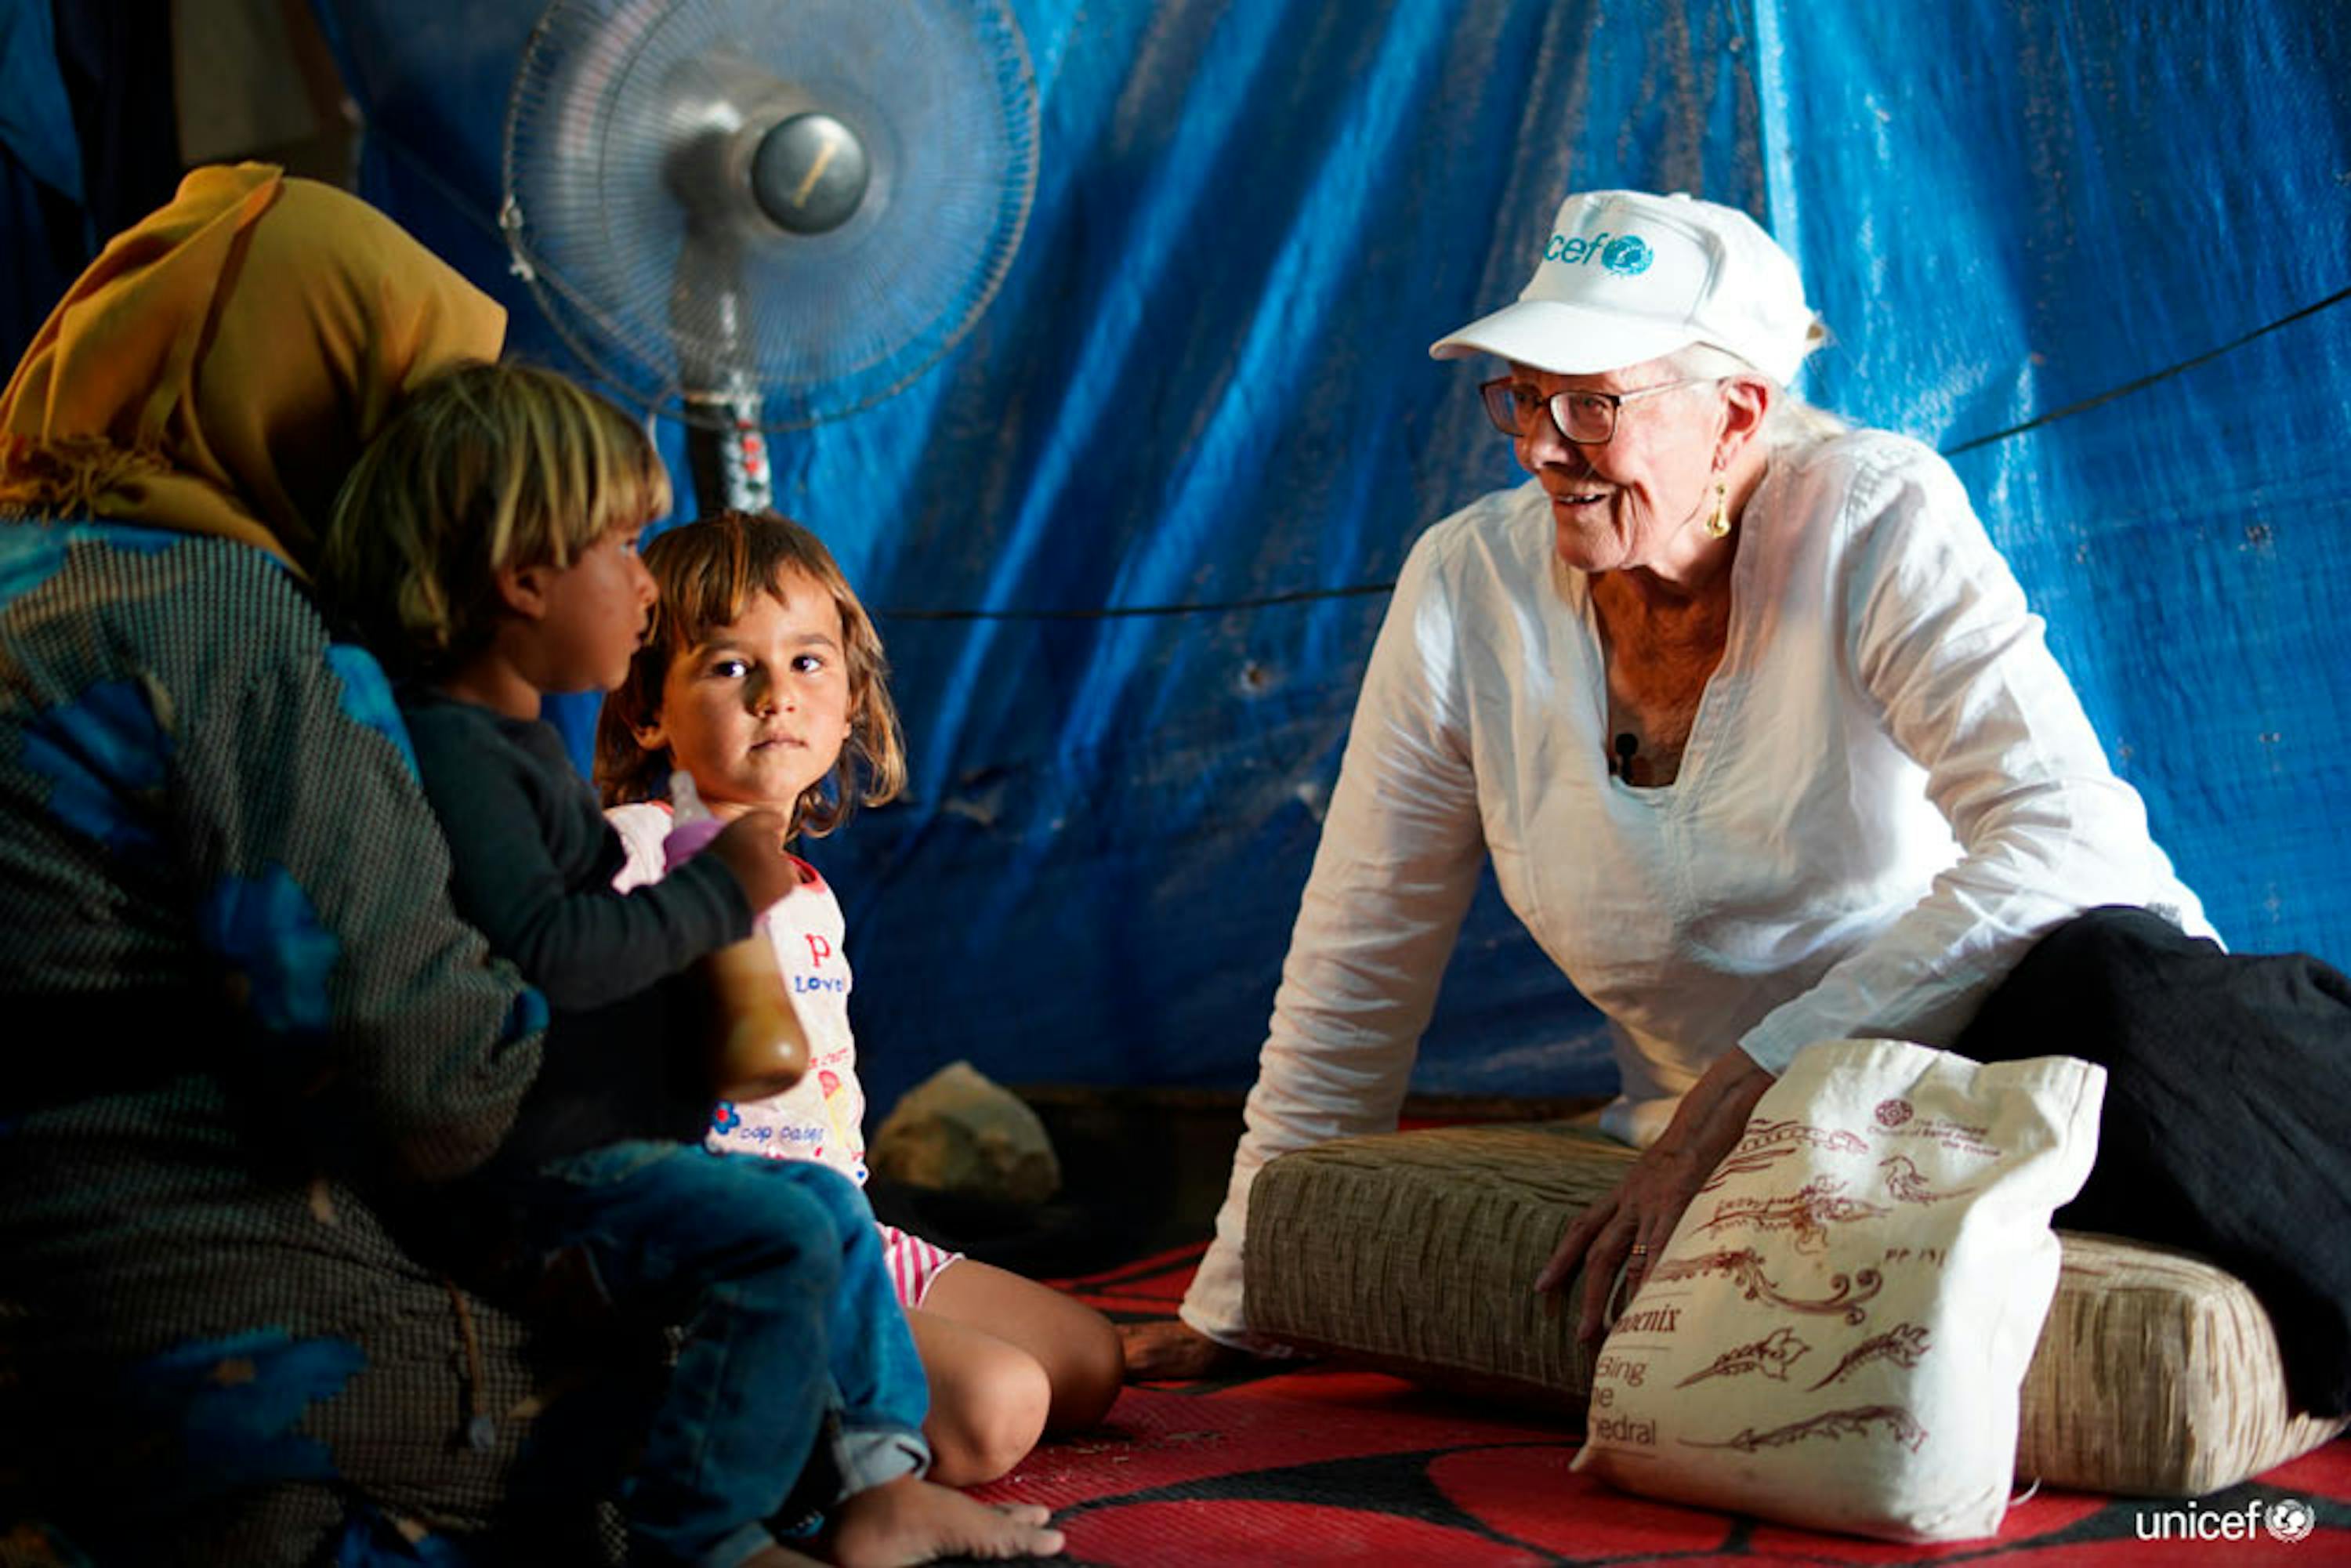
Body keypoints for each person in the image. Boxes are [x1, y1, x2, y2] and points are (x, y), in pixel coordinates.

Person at [1123, 186, 2351, 1422]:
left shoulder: (1872, 514)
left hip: (2007, 1051)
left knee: (2123, 981)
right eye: (1520, 395)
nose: (1541, 444)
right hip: (1782, 1145)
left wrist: (1753, 1073)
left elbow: (2074, 835)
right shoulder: (1467, 586)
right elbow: (1358, 955)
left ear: (1738, 414)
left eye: (1590, 403)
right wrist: (1238, 1298)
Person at [317, 364, 1066, 1566]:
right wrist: (715, 895)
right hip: (550, 1175)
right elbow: (551, 953)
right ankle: (701, 1534)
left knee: (820, 1206)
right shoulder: (466, 762)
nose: (638, 584)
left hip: (614, 1150)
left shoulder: (512, 755)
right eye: (621, 551)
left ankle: (883, 1484)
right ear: (523, 584)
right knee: (784, 1239)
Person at [0, 163, 534, 1562]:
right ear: (326, 412)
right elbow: (428, 1088)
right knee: (725, 1397)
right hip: (180, 1334)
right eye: (419, 418)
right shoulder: (239, 622)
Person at [593, 509, 1125, 1486]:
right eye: (726, 666)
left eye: (806, 664)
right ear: (646, 710)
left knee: (1092, 1363)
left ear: (850, 702)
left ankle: (858, 1377)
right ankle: (755, 1437)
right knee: (1001, 1406)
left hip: (848, 1233)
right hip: (732, 1254)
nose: (774, 698)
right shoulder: (633, 844)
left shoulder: (808, 892)